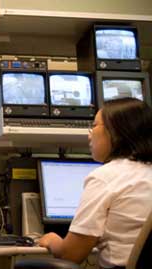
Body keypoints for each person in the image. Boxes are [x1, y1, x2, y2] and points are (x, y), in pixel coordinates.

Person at [39, 97, 152, 269]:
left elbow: (71, 255)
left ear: (115, 132)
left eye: (94, 126)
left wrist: (52, 240)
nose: (89, 135)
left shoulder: (106, 177)